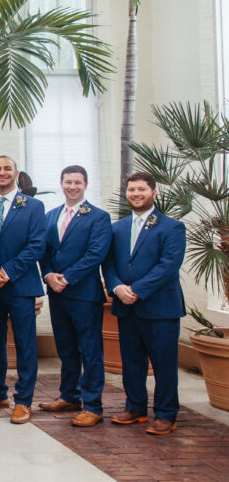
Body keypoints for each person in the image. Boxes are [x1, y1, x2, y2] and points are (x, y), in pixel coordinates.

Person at [103, 171, 186, 436]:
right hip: (126, 307)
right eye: (131, 190)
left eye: (141, 189)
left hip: (160, 308)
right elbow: (110, 264)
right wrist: (116, 288)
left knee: (163, 363)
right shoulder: (117, 228)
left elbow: (168, 266)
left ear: (154, 193)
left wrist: (136, 290)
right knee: (131, 361)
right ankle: (135, 407)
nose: (136, 194)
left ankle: (165, 414)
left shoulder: (172, 227)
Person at [38, 165, 111, 428]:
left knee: (90, 351)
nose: (72, 186)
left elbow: (96, 254)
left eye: (77, 182)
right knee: (66, 348)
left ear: (85, 185)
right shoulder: (50, 216)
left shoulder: (99, 217)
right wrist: (48, 275)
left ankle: (93, 405)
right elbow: (43, 252)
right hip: (57, 293)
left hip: (83, 294)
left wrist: (66, 278)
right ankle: (69, 395)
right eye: (68, 181)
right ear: (61, 183)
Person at [0, 156, 46, 424]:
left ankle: (24, 400)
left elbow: (36, 245)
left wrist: (7, 272)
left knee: (25, 344)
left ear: (16, 173)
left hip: (20, 285)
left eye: (7, 168)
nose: (1, 172)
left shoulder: (33, 206)